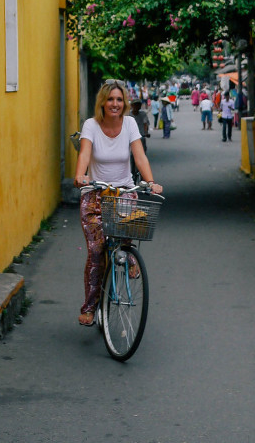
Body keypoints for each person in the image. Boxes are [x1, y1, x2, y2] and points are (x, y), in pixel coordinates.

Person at [74, 80, 163, 326]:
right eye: (110, 99)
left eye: (119, 100)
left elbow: (139, 155)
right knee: (96, 251)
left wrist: (151, 181)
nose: (115, 104)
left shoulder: (130, 124)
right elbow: (84, 152)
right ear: (102, 102)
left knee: (126, 230)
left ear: (124, 103)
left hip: (123, 190)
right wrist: (81, 175)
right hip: (95, 194)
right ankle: (90, 307)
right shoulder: (91, 125)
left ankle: (127, 254)